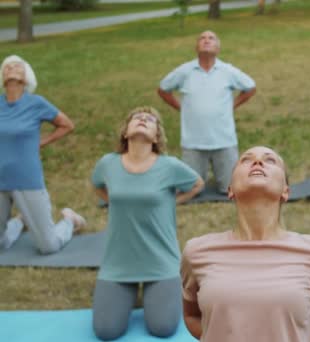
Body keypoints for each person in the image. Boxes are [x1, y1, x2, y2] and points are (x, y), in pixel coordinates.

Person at [180, 146, 310, 342]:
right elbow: (191, 316)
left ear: (285, 191)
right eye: (246, 159)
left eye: (270, 160)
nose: (258, 162)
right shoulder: (196, 252)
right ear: (230, 190)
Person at [91, 106, 204, 340]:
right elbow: (96, 185)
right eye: (136, 118)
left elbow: (198, 184)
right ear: (125, 132)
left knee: (162, 328)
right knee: (106, 331)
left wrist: (172, 201)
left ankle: (154, 292)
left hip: (160, 261)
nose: (142, 119)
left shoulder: (169, 166)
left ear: (156, 137)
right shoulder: (108, 164)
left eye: (149, 119)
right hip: (118, 262)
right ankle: (129, 291)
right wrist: (115, 201)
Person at [0, 55, 86, 254]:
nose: (10, 67)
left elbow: (67, 125)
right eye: (6, 66)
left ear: (26, 77)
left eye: (16, 65)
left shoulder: (36, 103)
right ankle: (20, 221)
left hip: (27, 180)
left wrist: (41, 142)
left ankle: (69, 220)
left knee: (49, 246)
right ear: (3, 77)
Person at [158, 30, 256, 194]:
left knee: (231, 190)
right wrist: (181, 108)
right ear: (196, 47)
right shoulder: (184, 71)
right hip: (193, 143)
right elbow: (163, 89)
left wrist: (232, 105)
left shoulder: (228, 71)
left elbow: (250, 88)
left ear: (218, 48)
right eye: (202, 38)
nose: (206, 40)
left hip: (224, 141)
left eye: (211, 38)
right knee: (190, 191)